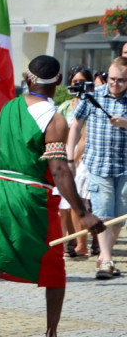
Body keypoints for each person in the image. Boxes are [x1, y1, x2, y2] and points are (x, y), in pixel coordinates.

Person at [0, 56, 104, 337]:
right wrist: (83, 214)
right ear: (60, 82)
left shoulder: (8, 108)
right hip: (30, 199)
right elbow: (60, 170)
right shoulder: (55, 119)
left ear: (29, 79)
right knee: (54, 266)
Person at [68, 56, 127, 279]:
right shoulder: (93, 96)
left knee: (119, 215)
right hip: (99, 164)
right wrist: (70, 157)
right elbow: (75, 126)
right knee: (103, 211)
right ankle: (106, 259)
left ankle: (106, 255)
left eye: (121, 80)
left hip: (125, 166)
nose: (115, 84)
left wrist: (125, 124)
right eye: (112, 79)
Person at [57, 67, 94, 258]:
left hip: (83, 158)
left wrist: (75, 160)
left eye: (81, 82)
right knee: (63, 206)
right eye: (74, 82)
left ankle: (85, 244)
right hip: (65, 156)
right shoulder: (64, 107)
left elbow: (85, 137)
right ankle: (69, 241)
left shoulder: (92, 104)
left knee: (81, 202)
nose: (77, 85)